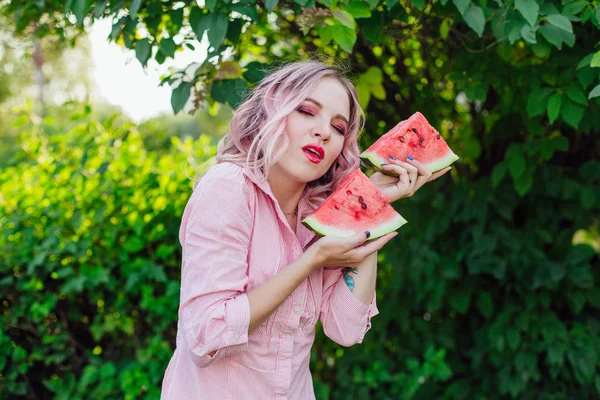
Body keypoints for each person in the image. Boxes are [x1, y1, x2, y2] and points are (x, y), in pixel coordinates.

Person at [160, 59, 451, 399]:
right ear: (272, 110)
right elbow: (205, 336)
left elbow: (345, 328)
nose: (324, 131)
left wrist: (370, 203)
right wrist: (310, 260)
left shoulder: (318, 214)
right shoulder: (229, 188)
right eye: (307, 111)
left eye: (339, 128)